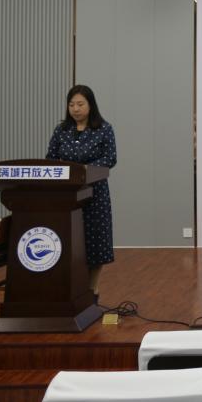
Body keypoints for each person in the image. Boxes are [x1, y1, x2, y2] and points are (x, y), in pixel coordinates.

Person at [45, 85, 117, 294]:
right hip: (66, 195)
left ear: (90, 105)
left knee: (96, 242)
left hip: (95, 193)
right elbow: (50, 157)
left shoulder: (104, 129)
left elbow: (110, 158)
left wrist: (86, 169)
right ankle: (71, 290)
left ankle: (92, 291)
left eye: (80, 104)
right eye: (71, 105)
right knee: (69, 241)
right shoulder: (61, 130)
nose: (75, 109)